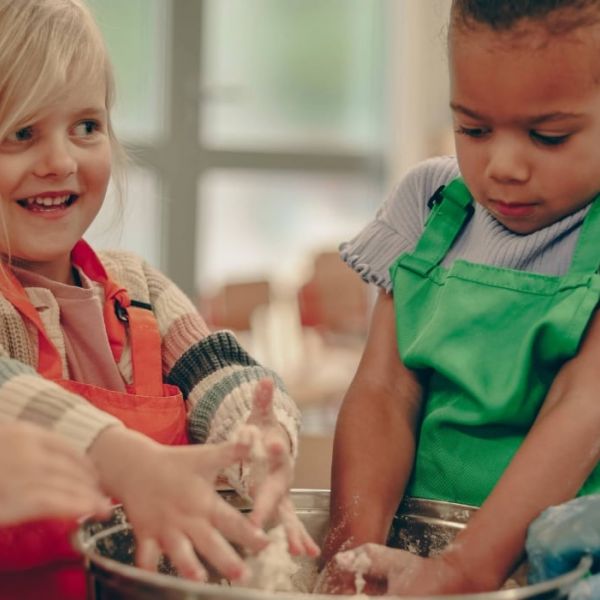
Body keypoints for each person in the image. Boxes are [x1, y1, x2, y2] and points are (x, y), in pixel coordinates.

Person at [0, 1, 318, 598]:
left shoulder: (136, 290)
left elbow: (220, 370)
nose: (62, 161)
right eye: (22, 133)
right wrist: (116, 455)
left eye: (86, 127)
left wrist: (256, 434)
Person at [318, 0, 600, 595]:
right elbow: (384, 393)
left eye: (547, 137)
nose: (502, 166)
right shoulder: (428, 205)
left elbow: (582, 410)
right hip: (423, 552)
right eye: (473, 129)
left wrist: (464, 570)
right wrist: (352, 558)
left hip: (561, 575)